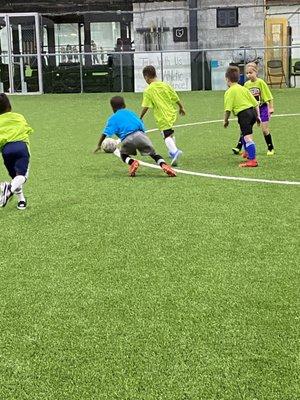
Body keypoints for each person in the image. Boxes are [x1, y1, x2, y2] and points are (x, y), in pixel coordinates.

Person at [94, 96, 176, 178]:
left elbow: (105, 133)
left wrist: (99, 145)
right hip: (140, 135)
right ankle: (164, 165)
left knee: (123, 155)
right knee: (154, 154)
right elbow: (140, 124)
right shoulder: (131, 113)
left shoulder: (112, 119)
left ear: (112, 107)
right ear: (124, 105)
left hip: (127, 139)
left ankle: (132, 162)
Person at [140, 65, 186, 166]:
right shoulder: (165, 85)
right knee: (168, 132)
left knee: (166, 136)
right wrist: (181, 107)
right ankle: (171, 151)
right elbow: (175, 97)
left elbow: (146, 106)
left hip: (162, 115)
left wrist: (140, 117)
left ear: (146, 76)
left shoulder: (149, 90)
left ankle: (175, 152)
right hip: (171, 113)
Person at [232, 62, 275, 156]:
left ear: (256, 72)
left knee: (264, 129)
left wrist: (271, 107)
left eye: (250, 73)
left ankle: (270, 147)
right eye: (247, 73)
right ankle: (239, 147)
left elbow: (269, 96)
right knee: (246, 128)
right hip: (252, 110)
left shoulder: (260, 82)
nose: (248, 75)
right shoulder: (246, 84)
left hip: (262, 108)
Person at [0, 93, 33, 209]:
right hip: (21, 147)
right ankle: (8, 188)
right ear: (9, 106)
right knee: (22, 176)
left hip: (6, 151)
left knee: (15, 176)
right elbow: (27, 128)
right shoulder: (19, 117)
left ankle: (21, 200)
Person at [224, 66, 260, 168]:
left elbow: (228, 110)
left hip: (244, 114)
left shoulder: (229, 92)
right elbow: (255, 103)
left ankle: (252, 160)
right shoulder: (243, 88)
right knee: (244, 133)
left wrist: (225, 121)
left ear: (227, 79)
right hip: (252, 112)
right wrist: (258, 117)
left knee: (247, 137)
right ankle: (248, 153)